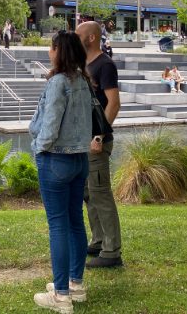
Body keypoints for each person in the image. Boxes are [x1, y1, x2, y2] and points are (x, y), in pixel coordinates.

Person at [29, 31, 92, 313]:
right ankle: (75, 284)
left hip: (56, 159)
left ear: (58, 50)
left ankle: (61, 296)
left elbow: (50, 124)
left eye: (51, 47)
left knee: (58, 225)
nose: (48, 51)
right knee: (75, 221)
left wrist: (39, 147)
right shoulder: (82, 80)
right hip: (80, 158)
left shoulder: (58, 82)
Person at [76, 21, 123, 269]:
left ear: (92, 37)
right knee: (89, 193)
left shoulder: (105, 65)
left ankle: (112, 251)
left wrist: (99, 136)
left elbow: (113, 103)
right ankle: (99, 240)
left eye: (79, 34)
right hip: (85, 140)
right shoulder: (84, 65)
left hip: (97, 142)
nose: (75, 38)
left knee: (101, 194)